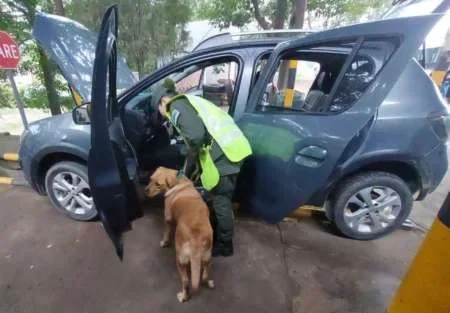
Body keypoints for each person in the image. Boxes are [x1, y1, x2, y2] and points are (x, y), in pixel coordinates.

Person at [151, 79, 252, 257]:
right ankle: (218, 231)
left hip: (226, 155)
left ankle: (225, 245)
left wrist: (188, 166)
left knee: (221, 200)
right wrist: (196, 167)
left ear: (162, 102)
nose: (163, 115)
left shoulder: (175, 106)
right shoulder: (188, 101)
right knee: (218, 196)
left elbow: (196, 137)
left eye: (159, 111)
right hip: (232, 150)